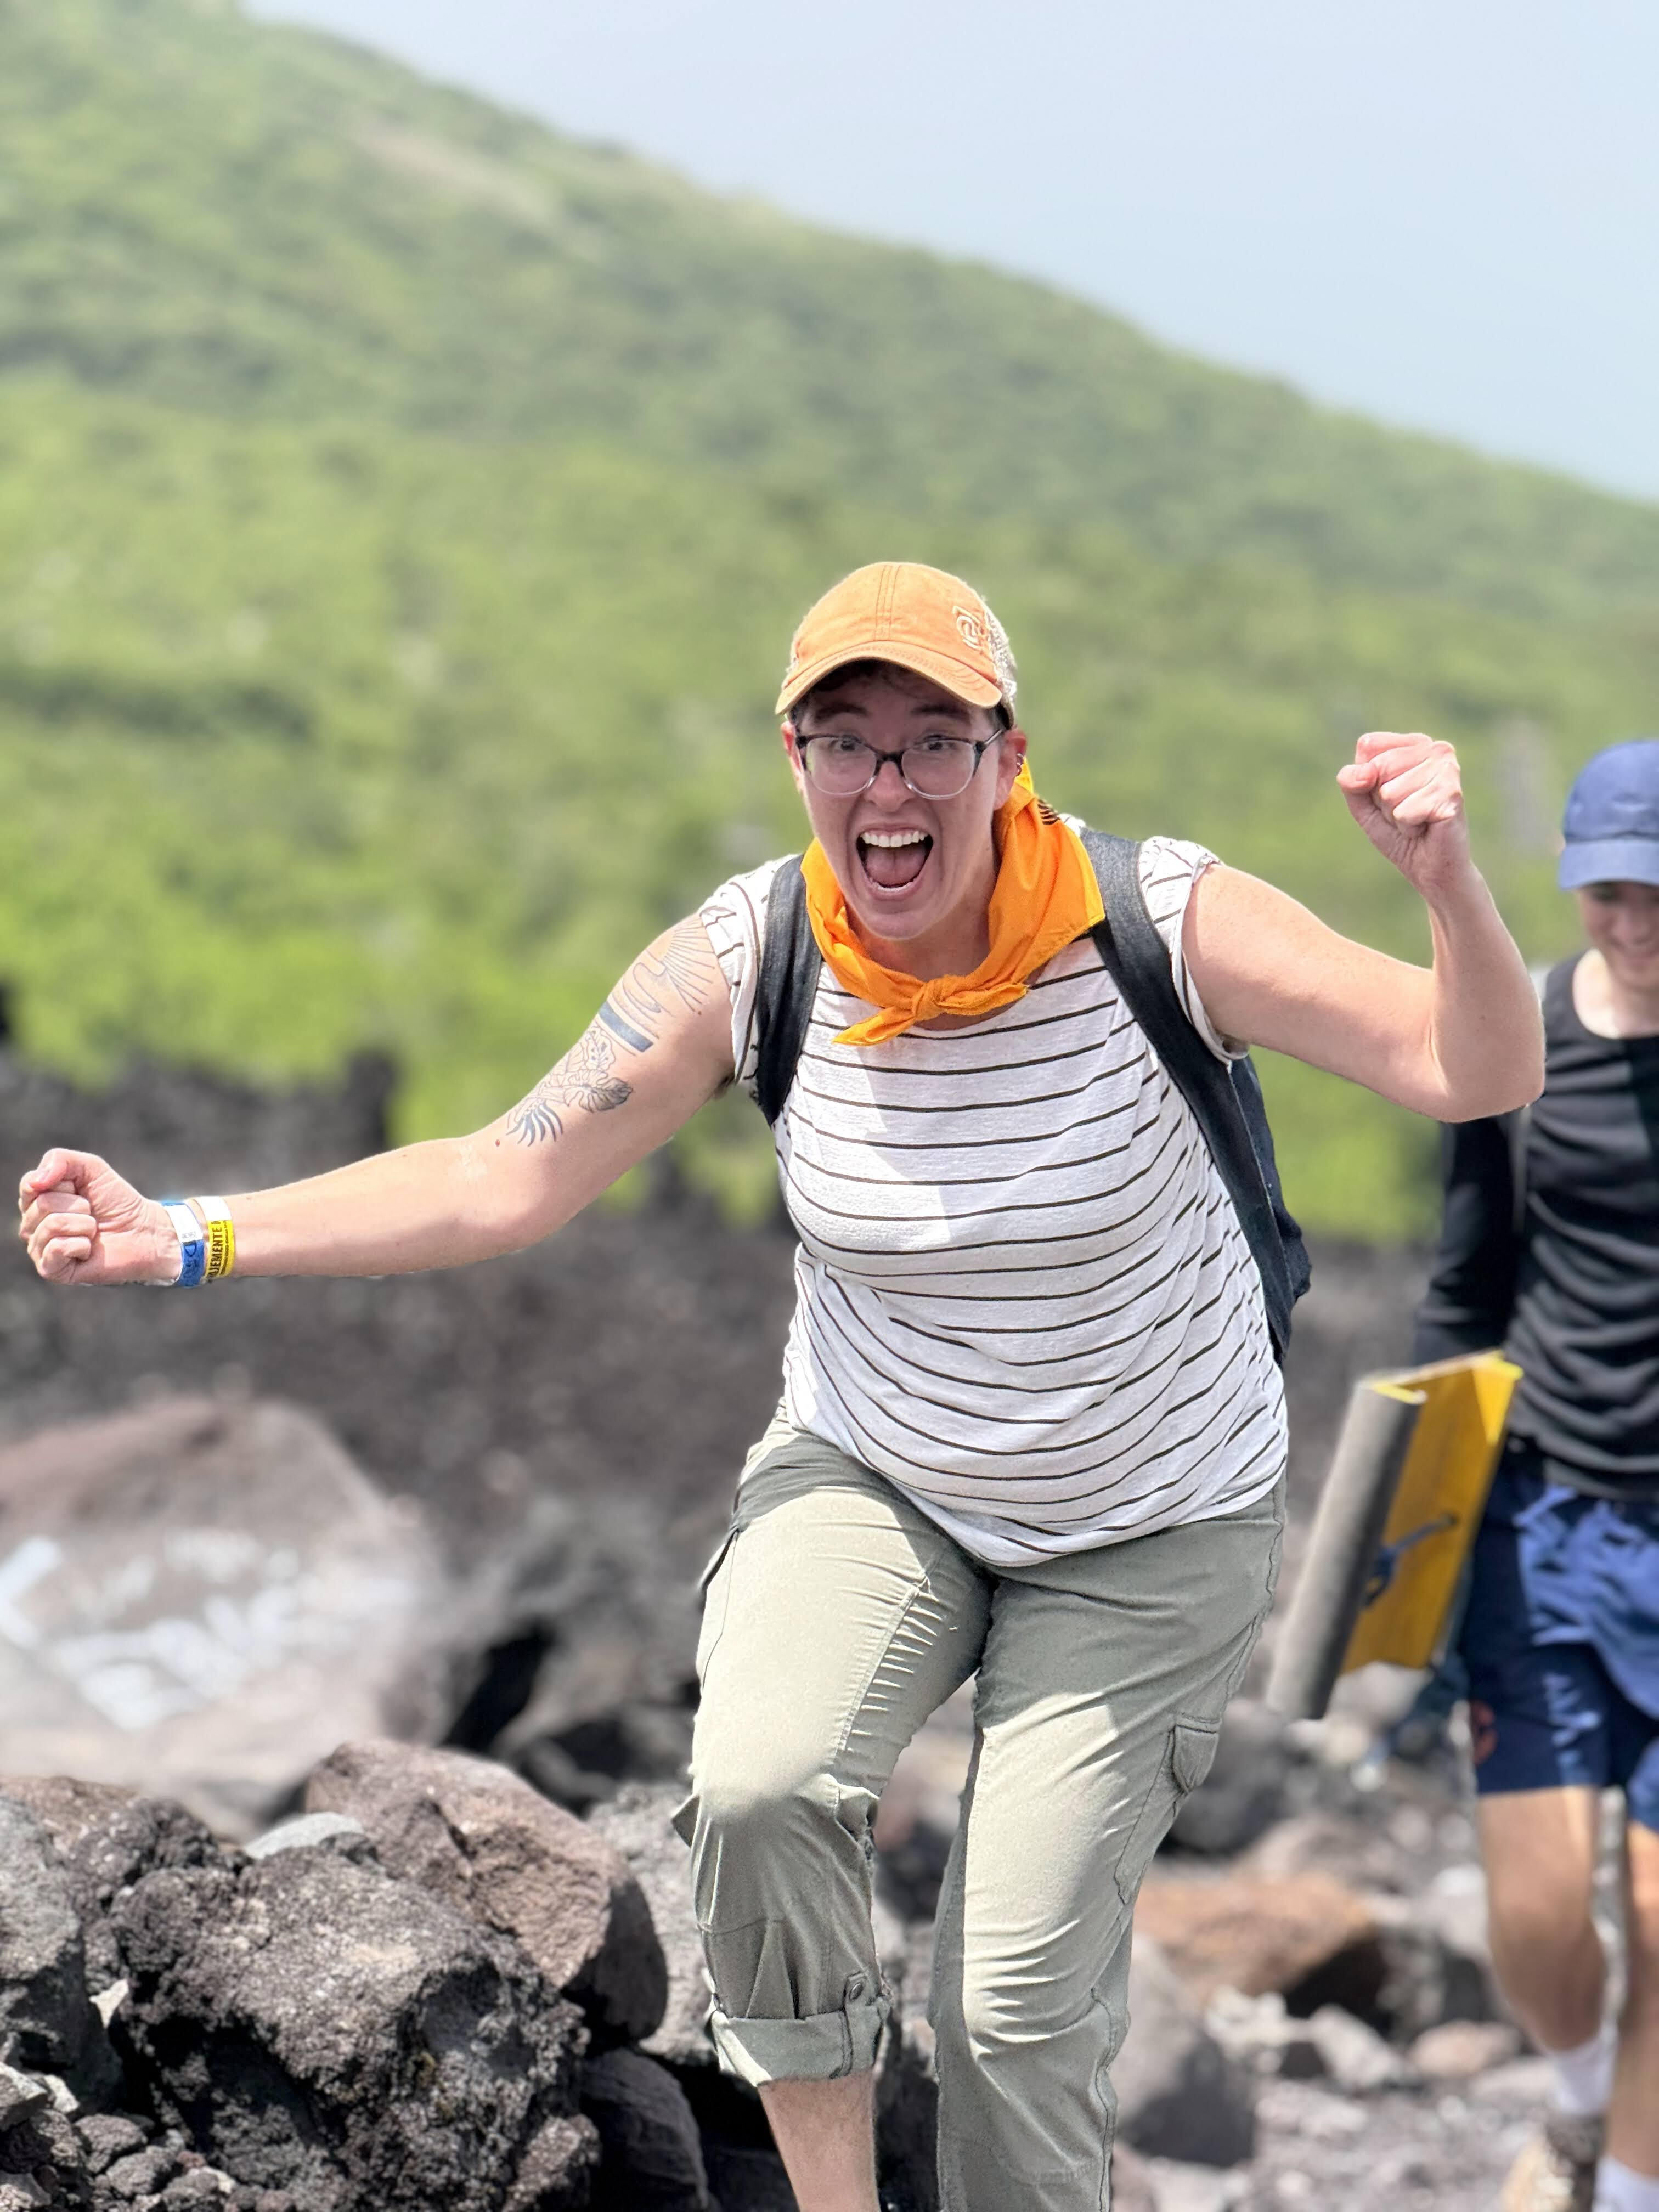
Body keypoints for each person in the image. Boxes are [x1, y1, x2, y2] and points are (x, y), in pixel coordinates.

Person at [20, 562, 1541, 2212]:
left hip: (1155, 1519)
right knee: (755, 1787)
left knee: (1014, 2004)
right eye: (846, 741)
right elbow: (499, 1180)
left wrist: (1448, 883)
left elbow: (1478, 1066)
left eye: (931, 743)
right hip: (878, 1472)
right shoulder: (753, 956)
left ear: (1007, 761)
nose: (887, 786)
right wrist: (187, 1234)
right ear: (798, 762)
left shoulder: (1162, 924)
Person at [1414, 738, 1659, 2212]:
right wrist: (1412, 1541)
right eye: (1608, 893)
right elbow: (1463, 1286)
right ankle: (1577, 2105)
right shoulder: (1521, 1043)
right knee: (1541, 1915)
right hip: (1543, 1522)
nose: (1635, 922)